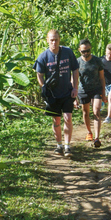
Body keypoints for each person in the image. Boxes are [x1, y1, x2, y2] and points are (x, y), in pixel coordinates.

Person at [34, 29, 79, 158]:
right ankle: (59, 144)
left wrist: (75, 87)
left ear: (60, 40)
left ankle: (67, 145)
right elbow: (39, 75)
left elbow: (75, 70)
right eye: (52, 40)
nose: (54, 42)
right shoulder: (43, 57)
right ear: (47, 40)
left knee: (68, 118)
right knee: (56, 120)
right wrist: (45, 88)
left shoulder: (67, 52)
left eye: (56, 40)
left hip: (67, 92)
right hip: (53, 95)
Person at [76, 39, 107, 148]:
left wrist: (104, 93)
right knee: (85, 112)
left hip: (96, 89)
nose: (86, 53)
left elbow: (102, 78)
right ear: (79, 50)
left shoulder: (97, 61)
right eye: (83, 51)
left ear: (90, 49)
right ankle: (89, 132)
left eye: (88, 50)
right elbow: (74, 79)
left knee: (96, 111)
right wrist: (74, 96)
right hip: (83, 90)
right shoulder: (77, 62)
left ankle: (97, 138)